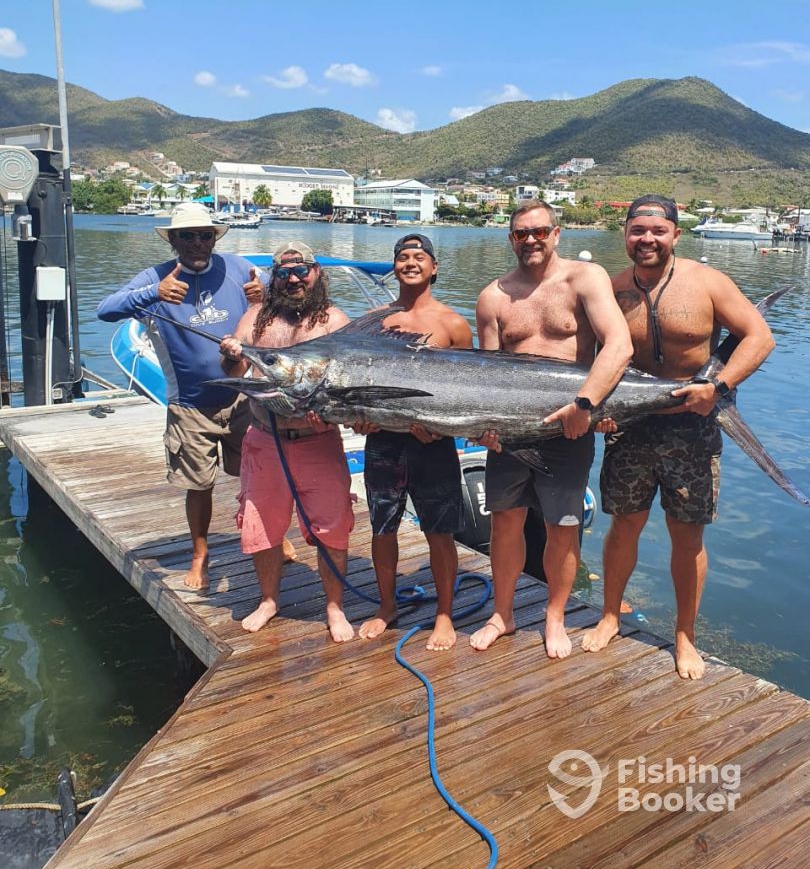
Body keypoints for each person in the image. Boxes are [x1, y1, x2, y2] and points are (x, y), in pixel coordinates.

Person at [582, 195, 776, 679]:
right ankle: (610, 615)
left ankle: (685, 635)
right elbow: (594, 360)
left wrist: (719, 387)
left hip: (693, 426)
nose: (646, 238)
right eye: (637, 230)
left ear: (675, 234)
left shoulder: (707, 282)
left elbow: (760, 337)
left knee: (687, 535)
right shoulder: (611, 289)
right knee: (624, 524)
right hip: (630, 426)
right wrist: (598, 410)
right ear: (625, 233)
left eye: (657, 230)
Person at [469, 200, 633, 658]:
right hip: (511, 433)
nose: (531, 240)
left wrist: (585, 404)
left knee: (563, 526)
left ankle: (554, 616)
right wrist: (485, 426)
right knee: (505, 521)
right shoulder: (493, 297)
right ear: (511, 239)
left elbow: (618, 345)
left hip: (570, 428)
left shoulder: (585, 278)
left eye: (540, 231)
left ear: (556, 234)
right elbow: (488, 375)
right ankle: (502, 614)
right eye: (521, 233)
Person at [98, 202, 267, 590]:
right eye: (186, 236)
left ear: (214, 238)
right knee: (199, 484)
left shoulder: (238, 268)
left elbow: (285, 293)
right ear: (172, 240)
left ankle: (265, 537)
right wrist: (152, 293)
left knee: (256, 476)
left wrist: (265, 293)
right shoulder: (155, 277)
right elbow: (105, 310)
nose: (197, 242)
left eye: (204, 235)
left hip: (242, 398)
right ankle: (199, 554)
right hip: (190, 406)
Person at [219, 242, 356, 642]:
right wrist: (231, 354)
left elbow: (348, 385)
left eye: (302, 271)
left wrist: (329, 412)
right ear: (274, 277)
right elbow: (233, 370)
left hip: (319, 441)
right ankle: (268, 600)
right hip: (265, 441)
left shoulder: (334, 321)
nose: (294, 279)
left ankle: (334, 606)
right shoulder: (256, 318)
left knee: (332, 527)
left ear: (317, 273)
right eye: (284, 273)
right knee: (261, 524)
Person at [353, 234, 473, 651]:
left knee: (440, 532)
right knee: (382, 528)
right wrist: (360, 418)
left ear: (434, 267)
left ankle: (444, 614)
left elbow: (468, 390)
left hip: (433, 445)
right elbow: (359, 383)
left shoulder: (453, 324)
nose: (410, 262)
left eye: (418, 257)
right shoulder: (374, 321)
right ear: (394, 267)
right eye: (402, 257)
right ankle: (387, 605)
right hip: (384, 442)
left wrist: (440, 428)